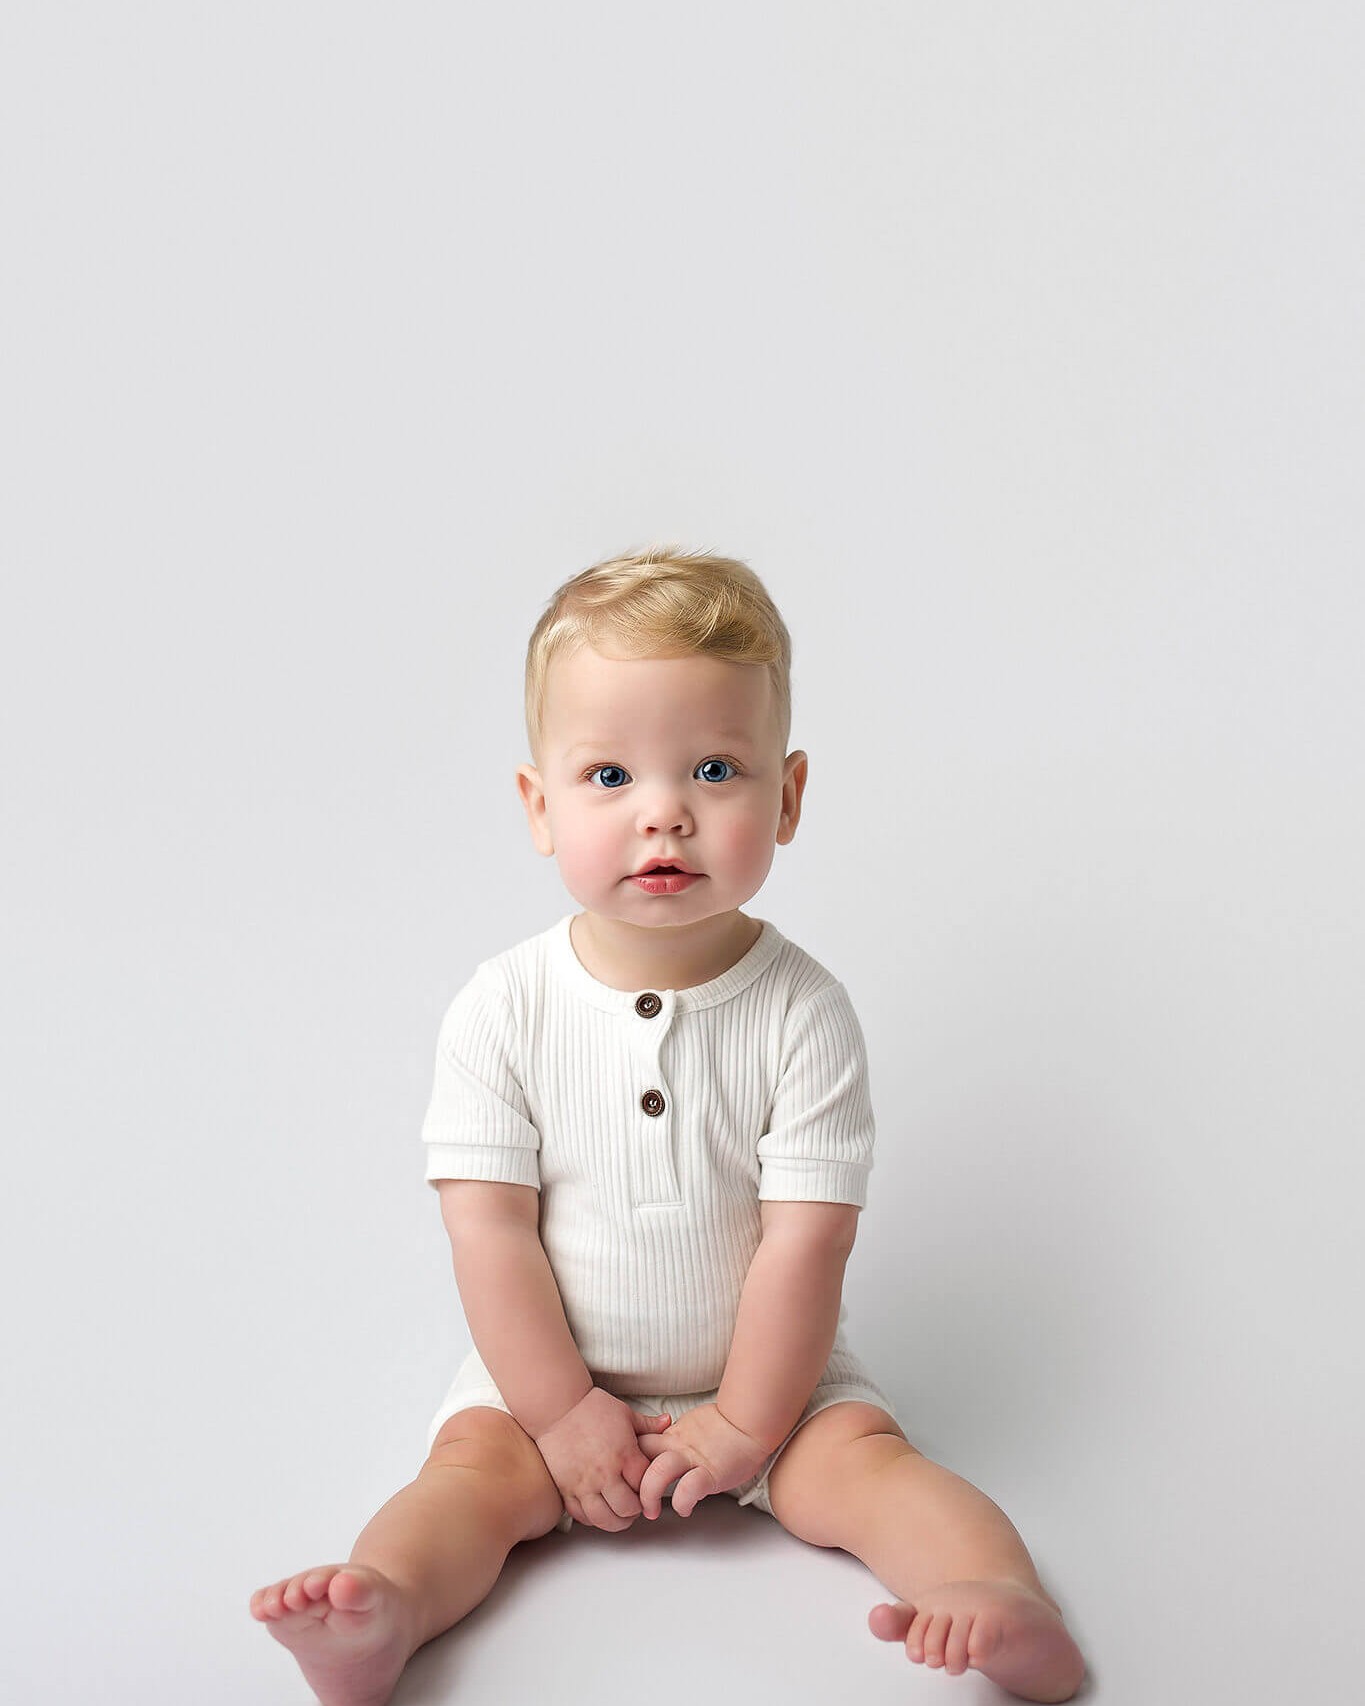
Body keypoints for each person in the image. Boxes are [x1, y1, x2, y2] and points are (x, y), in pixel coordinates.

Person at [249, 545, 1086, 1704]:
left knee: (874, 1470)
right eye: (607, 776)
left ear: (786, 797)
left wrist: (749, 1420)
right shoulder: (504, 1006)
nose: (665, 813)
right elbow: (489, 1232)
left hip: (771, 1384)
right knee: (469, 1475)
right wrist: (559, 1409)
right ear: (539, 805)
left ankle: (1001, 1597)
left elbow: (808, 1240)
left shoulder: (806, 1010)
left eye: (712, 766)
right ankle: (380, 1607)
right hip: (547, 1374)